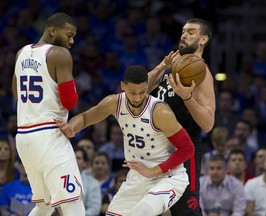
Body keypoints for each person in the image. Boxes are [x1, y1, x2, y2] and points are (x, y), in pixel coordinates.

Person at [55, 65, 195, 216]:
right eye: (132, 92)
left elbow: (187, 149)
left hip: (169, 177)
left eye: (142, 92)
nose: (137, 98)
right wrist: (71, 128)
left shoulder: (160, 112)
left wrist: (153, 171)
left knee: (143, 211)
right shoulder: (114, 103)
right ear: (123, 86)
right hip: (138, 178)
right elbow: (85, 118)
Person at [11, 12, 85, 215]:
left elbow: (16, 93)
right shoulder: (60, 55)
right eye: (69, 35)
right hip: (49, 135)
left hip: (24, 137)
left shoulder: (21, 53)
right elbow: (70, 102)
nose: (71, 41)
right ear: (53, 30)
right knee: (73, 202)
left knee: (43, 205)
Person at [149, 18, 215, 215]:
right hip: (155, 148)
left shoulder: (200, 72)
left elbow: (208, 123)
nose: (184, 35)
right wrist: (161, 67)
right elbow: (139, 90)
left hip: (184, 152)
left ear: (203, 39)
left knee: (186, 212)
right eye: (183, 31)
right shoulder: (170, 64)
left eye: (191, 32)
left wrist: (187, 97)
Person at [74, 147, 102, 216]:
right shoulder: (59, 179)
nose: (74, 160)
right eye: (72, 157)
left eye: (78, 158)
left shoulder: (93, 183)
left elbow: (94, 209)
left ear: (85, 163)